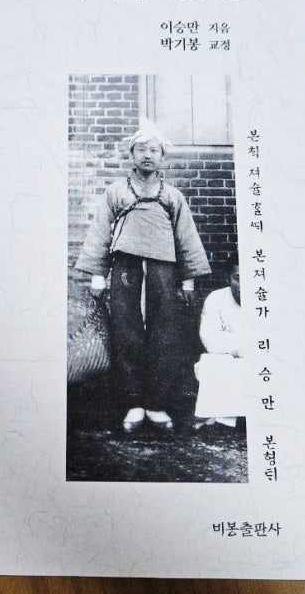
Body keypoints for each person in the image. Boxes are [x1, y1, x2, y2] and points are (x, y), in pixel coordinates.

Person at [75, 119, 211, 432]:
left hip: (164, 271)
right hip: (126, 269)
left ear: (162, 157)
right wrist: (98, 276)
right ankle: (133, 402)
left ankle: (156, 404)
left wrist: (187, 280)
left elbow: (186, 239)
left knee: (164, 334)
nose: (147, 155)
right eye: (141, 150)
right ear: (132, 155)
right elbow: (100, 234)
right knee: (126, 332)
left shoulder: (172, 196)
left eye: (154, 150)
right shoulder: (115, 192)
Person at [193, 253, 245, 431]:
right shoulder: (216, 299)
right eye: (238, 278)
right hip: (228, 361)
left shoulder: (266, 300)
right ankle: (224, 420)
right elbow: (210, 340)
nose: (244, 285)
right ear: (228, 278)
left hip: (255, 361)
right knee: (210, 363)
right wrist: (244, 347)